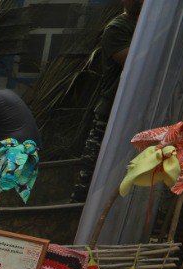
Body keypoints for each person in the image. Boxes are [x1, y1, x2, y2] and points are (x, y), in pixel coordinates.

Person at [74, 0, 143, 201]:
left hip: (136, 112)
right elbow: (132, 61)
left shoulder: (147, 24)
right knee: (91, 171)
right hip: (111, 110)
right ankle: (76, 216)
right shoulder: (118, 27)